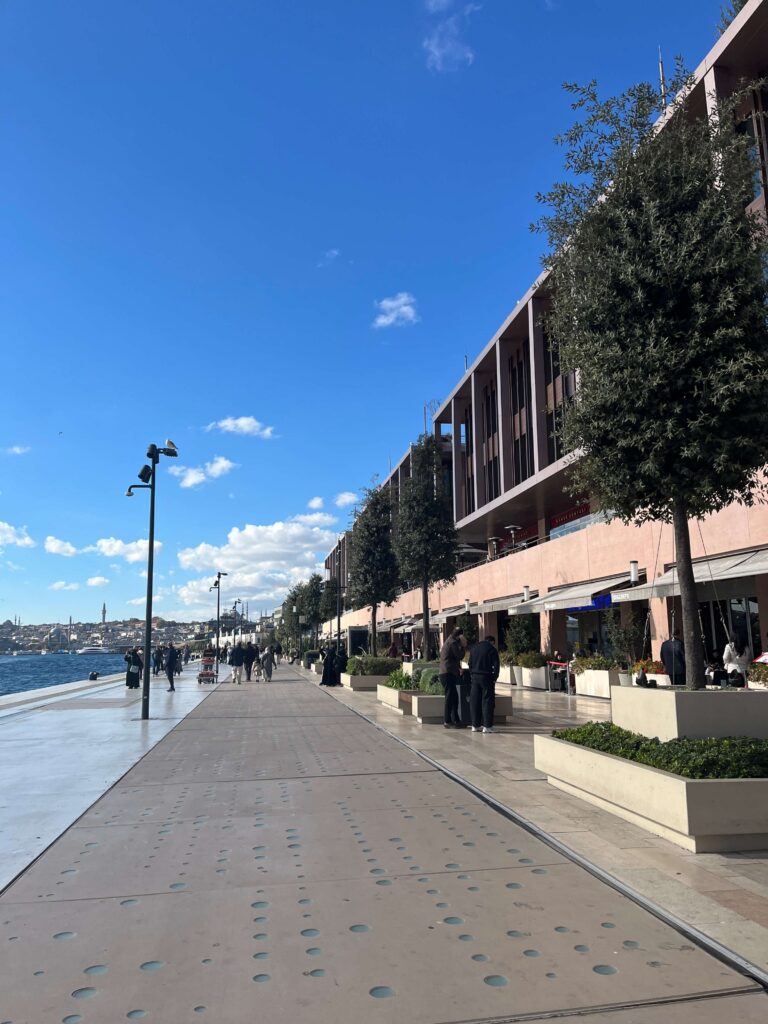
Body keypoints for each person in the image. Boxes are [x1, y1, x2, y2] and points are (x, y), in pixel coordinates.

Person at [468, 635, 500, 734]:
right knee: (487, 701)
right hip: (487, 677)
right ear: (491, 641)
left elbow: (470, 663)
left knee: (475, 701)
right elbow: (496, 665)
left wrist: (472, 674)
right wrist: (494, 678)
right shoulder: (492, 649)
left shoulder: (474, 648)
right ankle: (487, 726)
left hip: (475, 677)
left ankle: (475, 725)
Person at [439, 627, 465, 729]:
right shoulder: (453, 643)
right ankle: (447, 720)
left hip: (446, 673)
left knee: (454, 697)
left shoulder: (449, 641)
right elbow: (459, 656)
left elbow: (452, 658)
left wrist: (459, 668)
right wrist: (463, 647)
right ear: (459, 636)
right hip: (447, 674)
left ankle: (456, 720)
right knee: (450, 697)